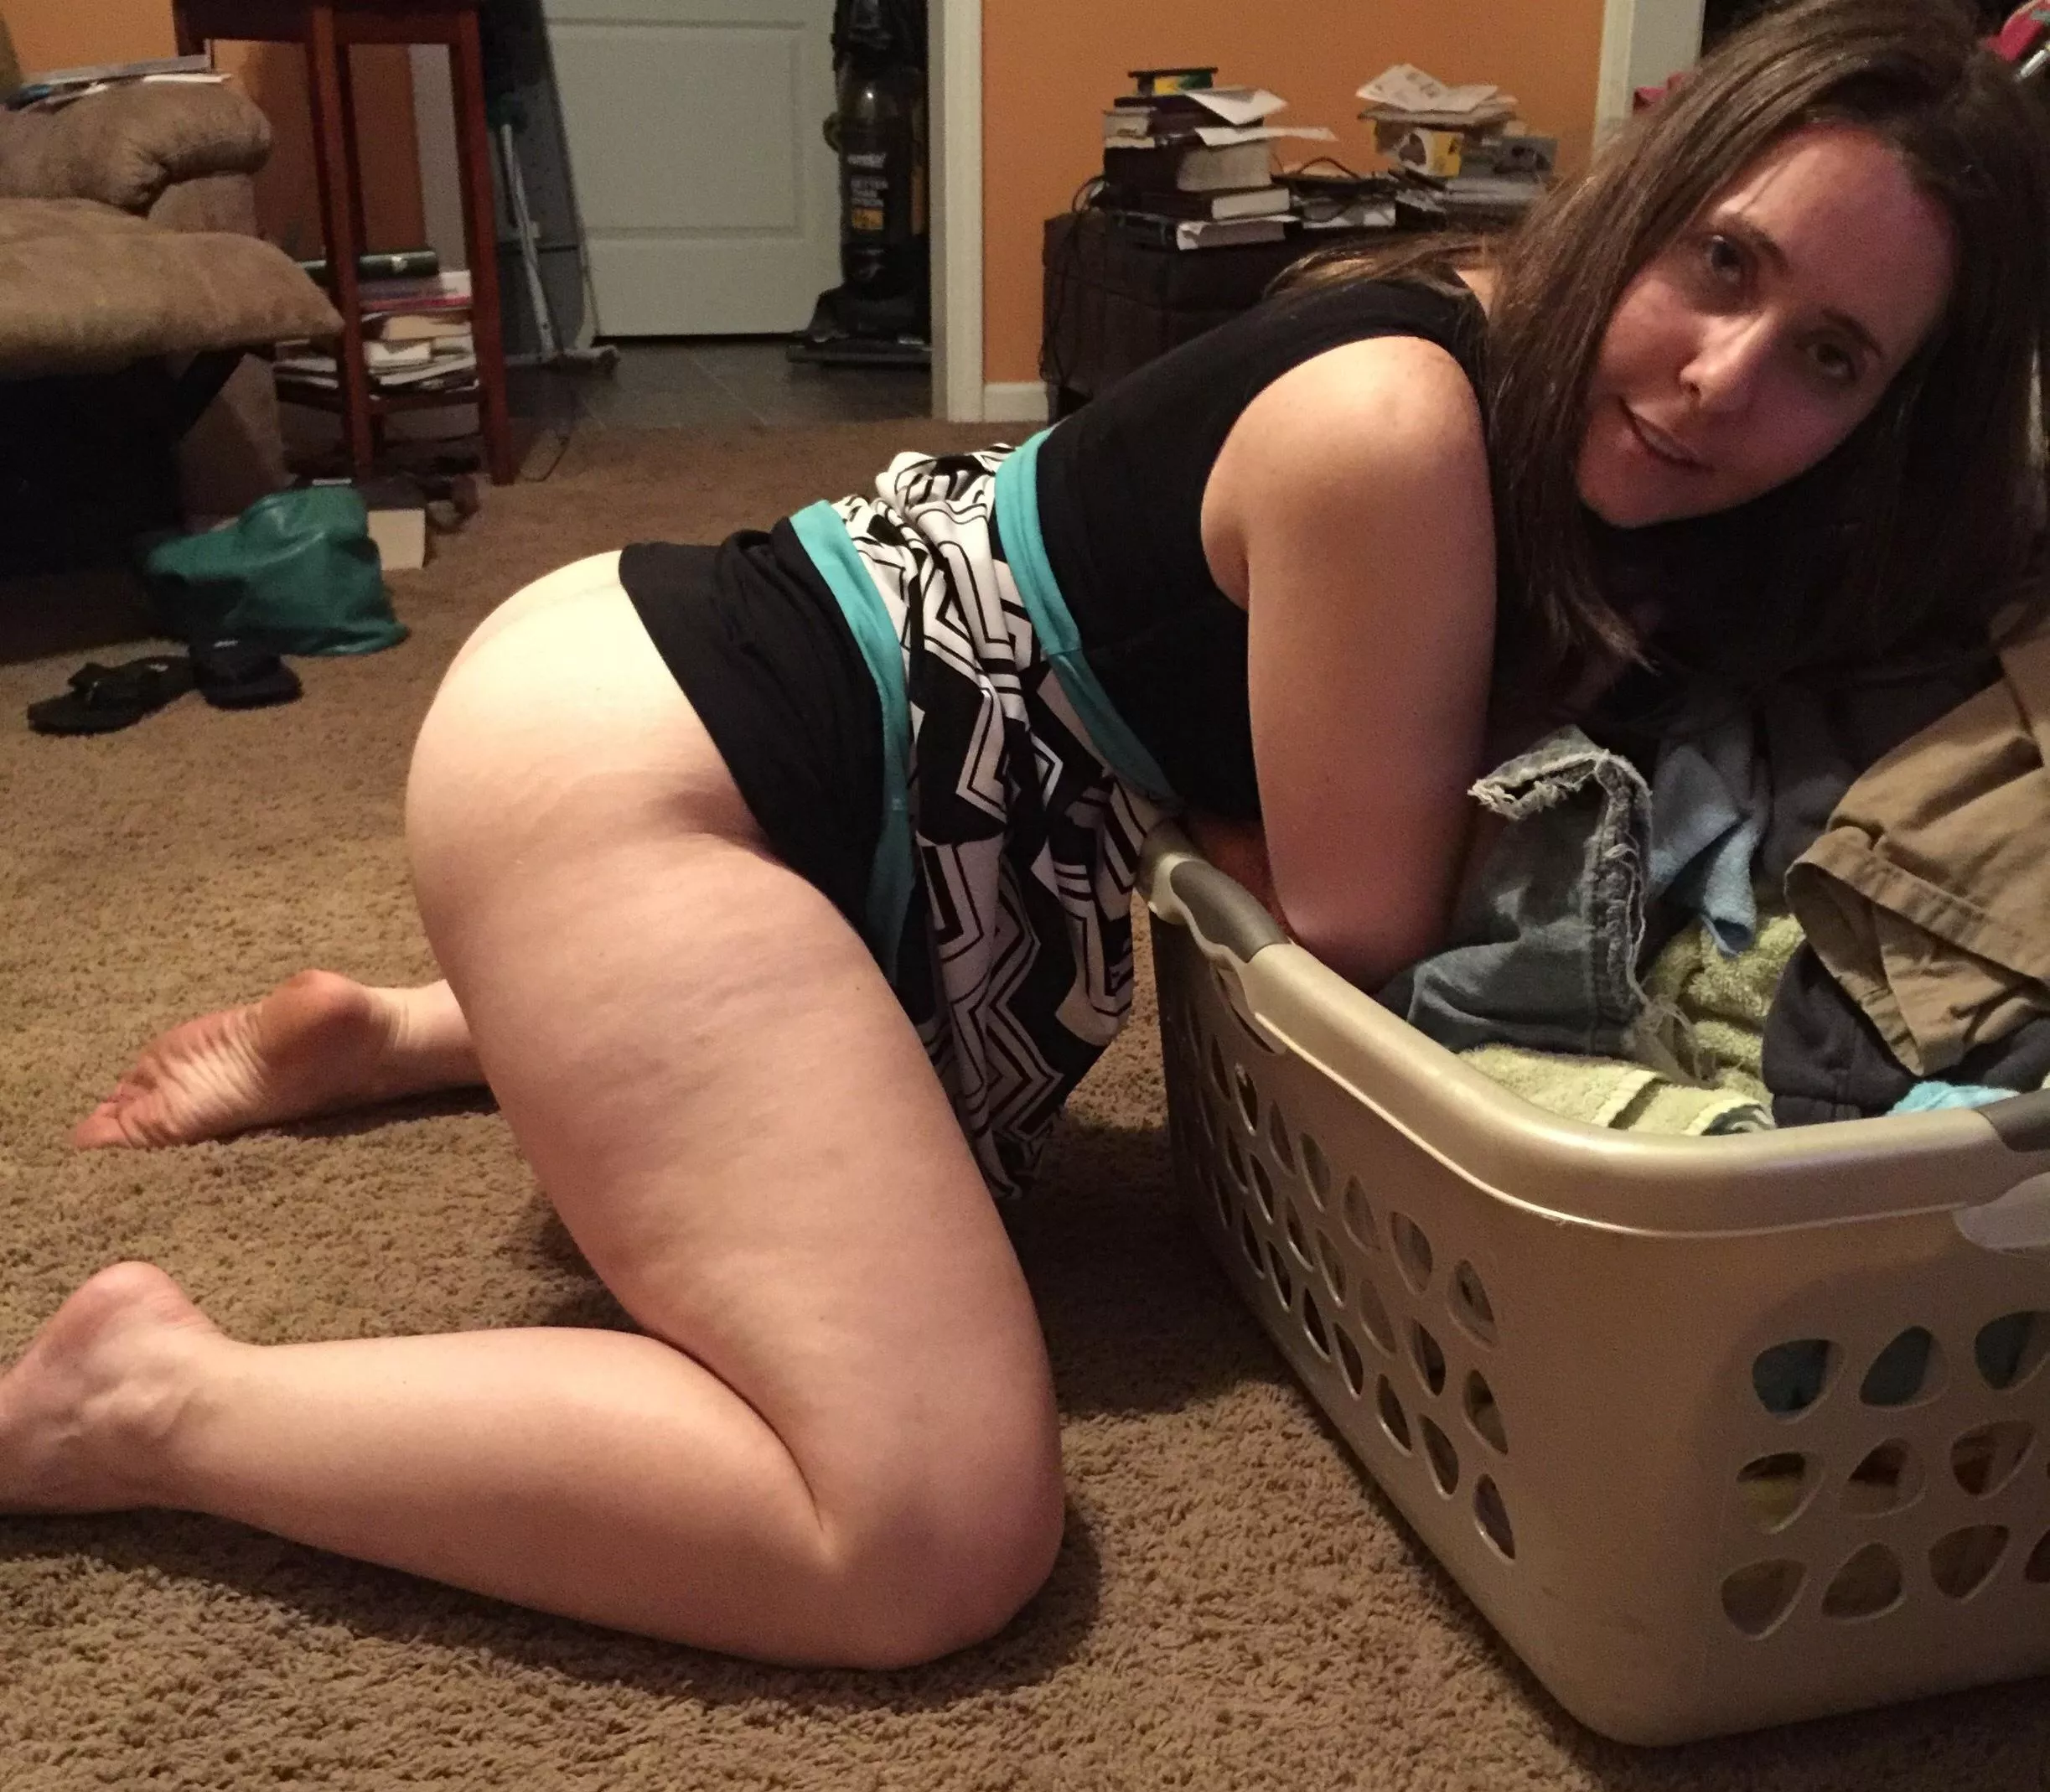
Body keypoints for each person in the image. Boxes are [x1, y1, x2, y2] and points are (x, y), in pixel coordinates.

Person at [5, 0, 2046, 1666]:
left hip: (829, 800)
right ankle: (157, 1398)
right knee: (921, 1530)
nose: (1717, 379)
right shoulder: (1399, 421)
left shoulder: (1534, 402)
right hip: (658, 760)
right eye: (1721, 263)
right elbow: (1354, 924)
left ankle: (422, 1026)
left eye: (1827, 359)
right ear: (1651, 181)